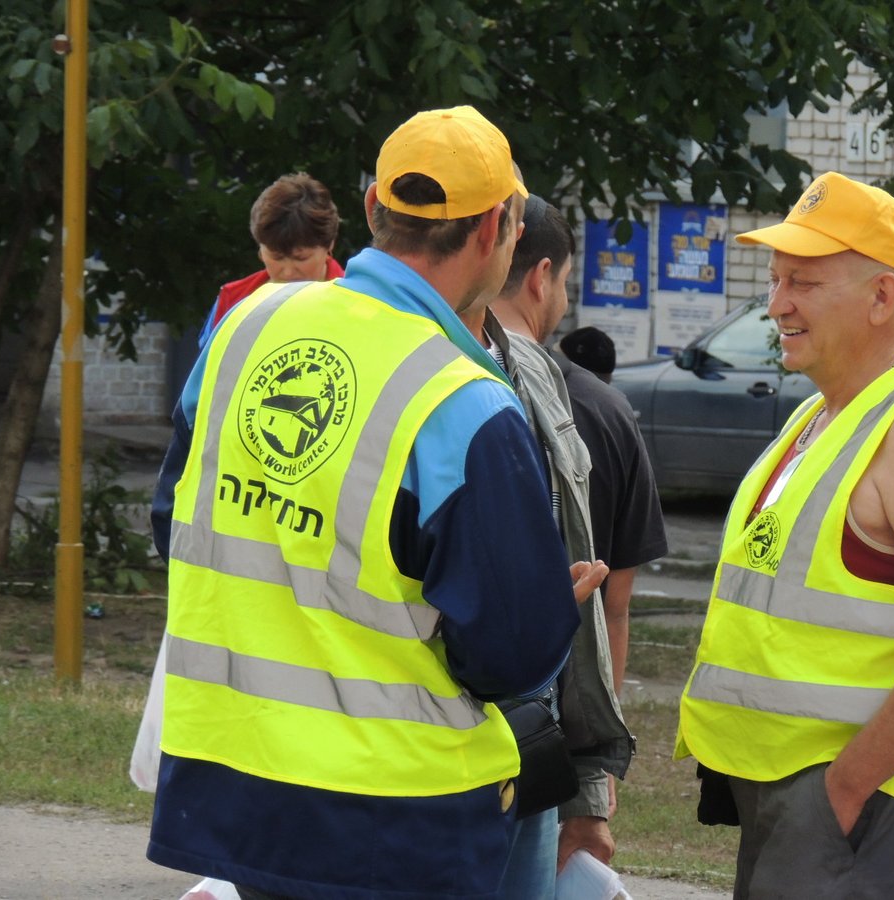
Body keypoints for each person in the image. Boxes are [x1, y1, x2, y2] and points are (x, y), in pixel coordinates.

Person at [146, 105, 607, 900]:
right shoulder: (465, 402)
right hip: (394, 822)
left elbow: (174, 522)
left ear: (369, 211)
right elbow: (510, 656)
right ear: (500, 225)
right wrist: (543, 606)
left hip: (232, 788)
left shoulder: (246, 327)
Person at [674, 171, 894, 899]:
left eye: (802, 282)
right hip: (807, 801)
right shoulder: (829, 413)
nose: (777, 305)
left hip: (866, 809)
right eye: (775, 280)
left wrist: (844, 790)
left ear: (881, 296)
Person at [456, 193, 665, 897]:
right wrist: (594, 785)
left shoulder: (543, 382)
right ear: (540, 273)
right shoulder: (605, 408)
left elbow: (591, 601)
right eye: (568, 280)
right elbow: (613, 608)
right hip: (440, 747)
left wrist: (584, 780)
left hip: (532, 741)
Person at [197, 172, 345, 348]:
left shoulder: (357, 303)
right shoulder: (232, 300)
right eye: (277, 257)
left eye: (301, 258)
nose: (288, 272)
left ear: (330, 245)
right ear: (260, 248)